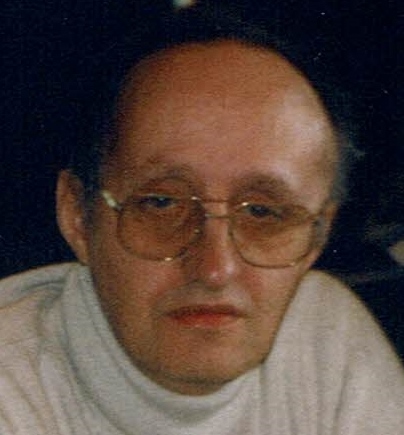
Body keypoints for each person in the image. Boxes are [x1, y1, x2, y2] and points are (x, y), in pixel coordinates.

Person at [0, 6, 403, 434]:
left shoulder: (326, 339)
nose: (215, 269)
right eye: (161, 204)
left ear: (317, 235)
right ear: (78, 215)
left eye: (263, 212)